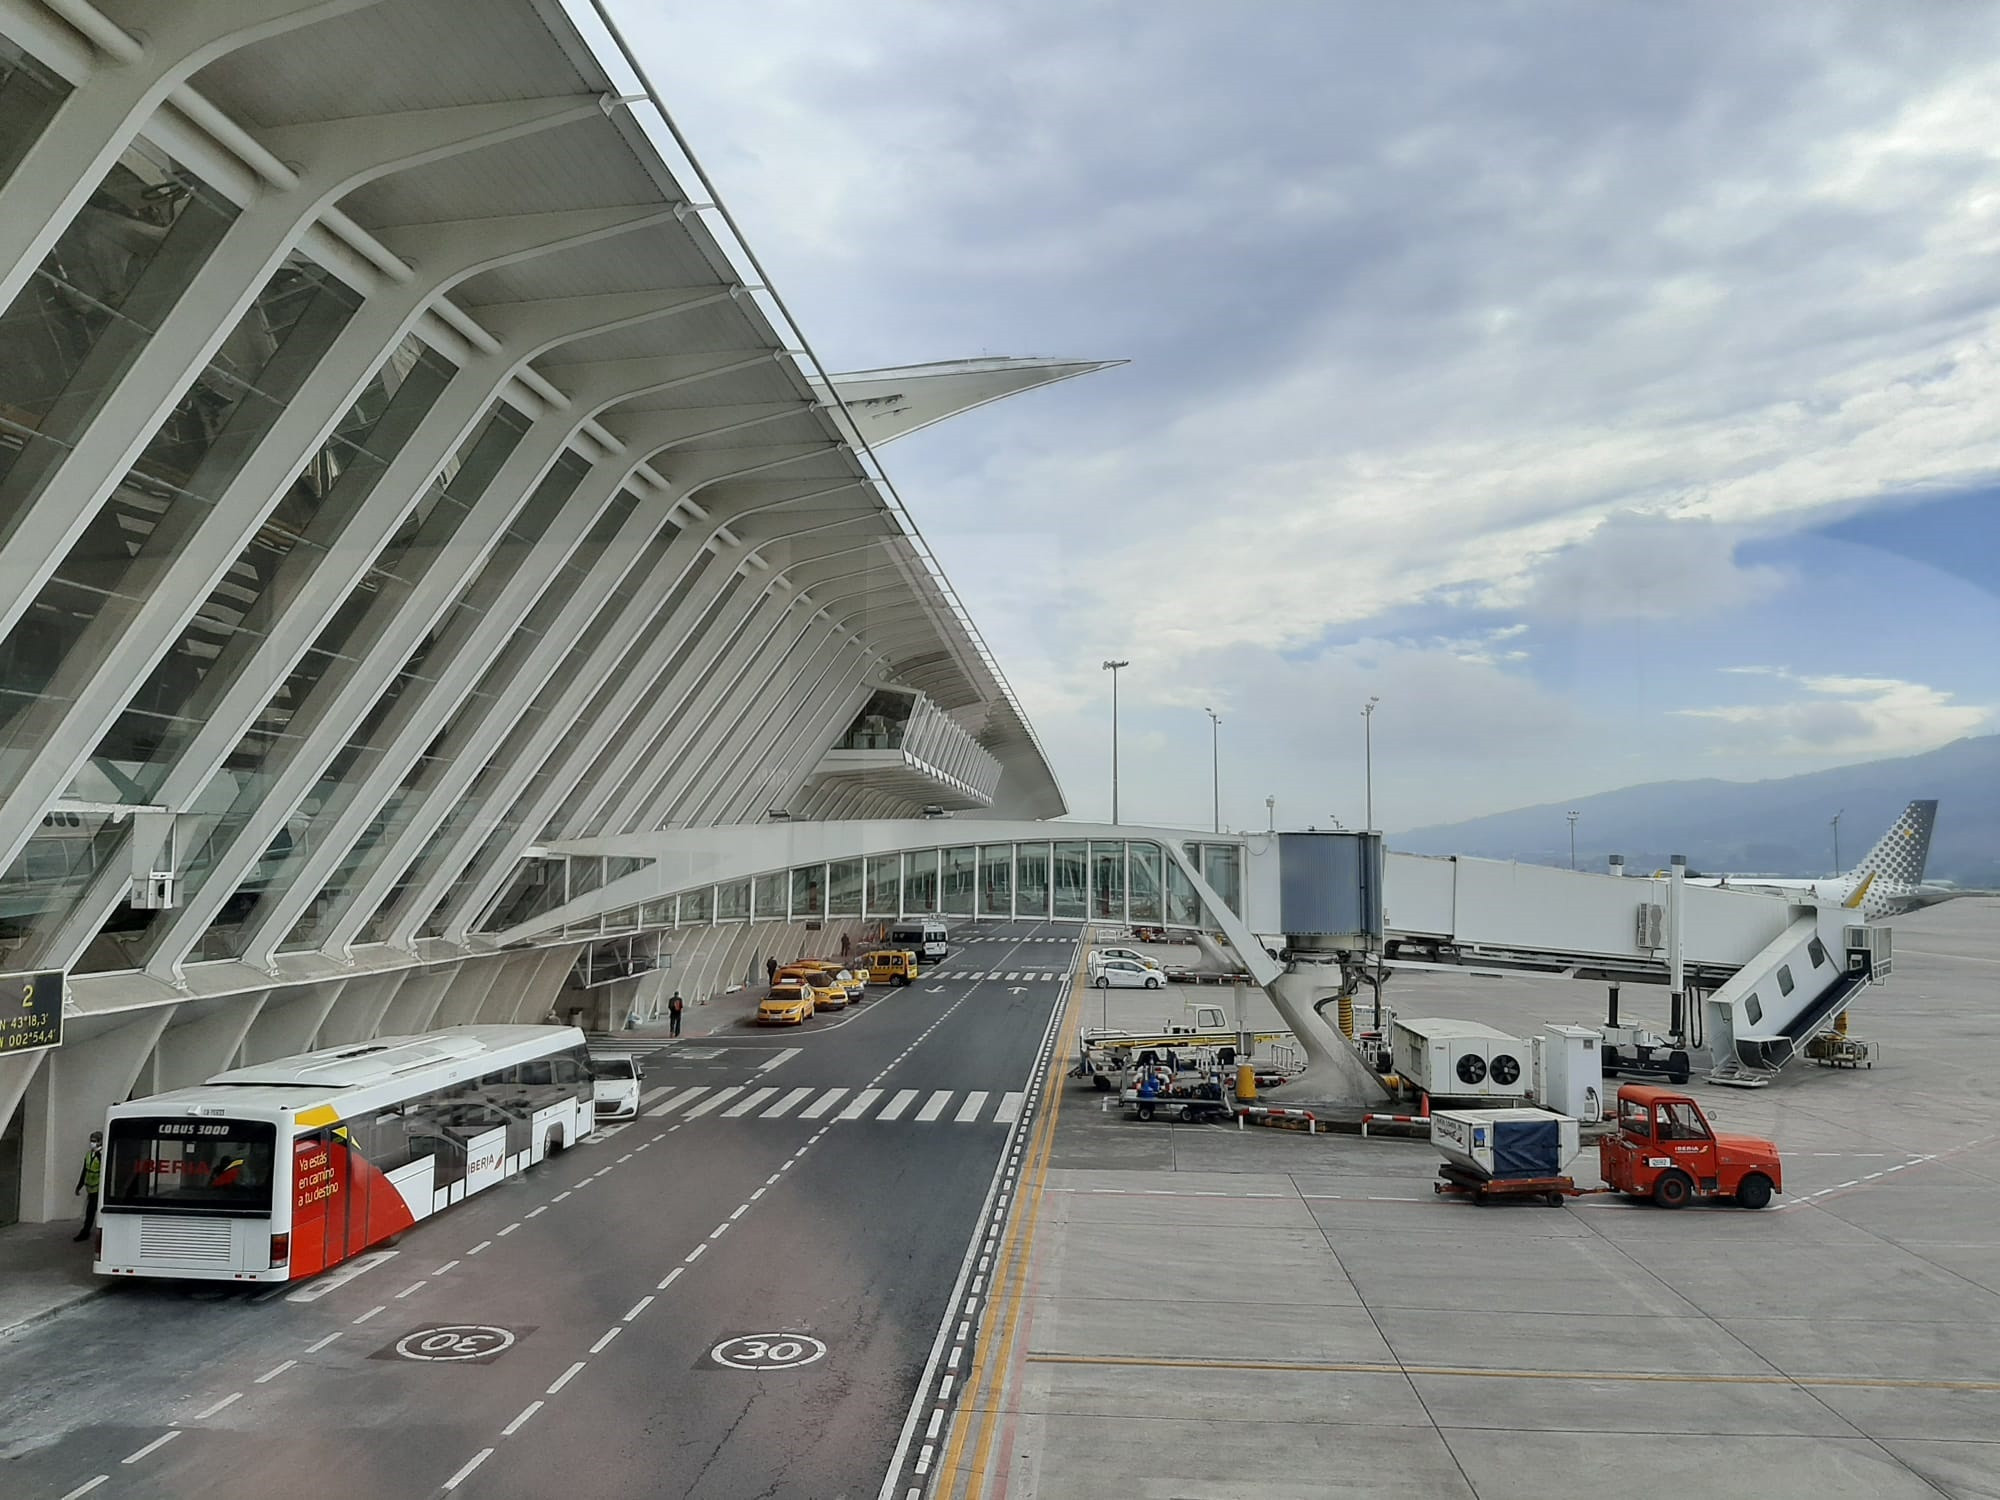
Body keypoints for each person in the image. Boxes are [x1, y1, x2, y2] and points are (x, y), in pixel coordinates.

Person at [73, 1130, 103, 1242]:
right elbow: (84, 1170)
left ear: (100, 1142)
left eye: (94, 1141)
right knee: (90, 1211)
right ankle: (86, 1231)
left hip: (98, 1188)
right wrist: (79, 1186)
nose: (92, 1143)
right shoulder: (89, 1154)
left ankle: (85, 1232)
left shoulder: (101, 1156)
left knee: (90, 1211)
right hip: (90, 1187)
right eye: (91, 1140)